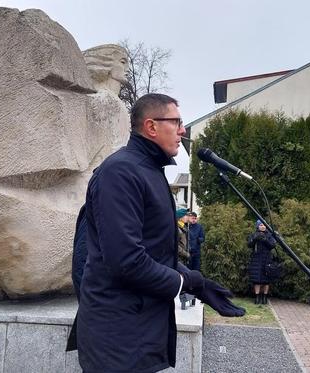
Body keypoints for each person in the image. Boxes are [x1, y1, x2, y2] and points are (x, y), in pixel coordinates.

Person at [76, 93, 244, 373]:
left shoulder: (149, 171)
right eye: (176, 122)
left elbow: (154, 251)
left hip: (139, 327)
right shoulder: (120, 172)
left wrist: (196, 283)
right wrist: (182, 283)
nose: (182, 130)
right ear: (151, 127)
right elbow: (127, 261)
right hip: (118, 333)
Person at [248, 220, 276, 304]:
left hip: (267, 259)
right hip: (256, 259)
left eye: (264, 225)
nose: (263, 226)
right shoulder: (254, 234)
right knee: (257, 280)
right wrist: (255, 239)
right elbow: (249, 244)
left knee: (266, 280)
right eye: (261, 225)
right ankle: (257, 297)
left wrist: (265, 239)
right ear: (257, 226)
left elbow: (272, 245)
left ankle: (265, 297)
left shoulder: (269, 235)